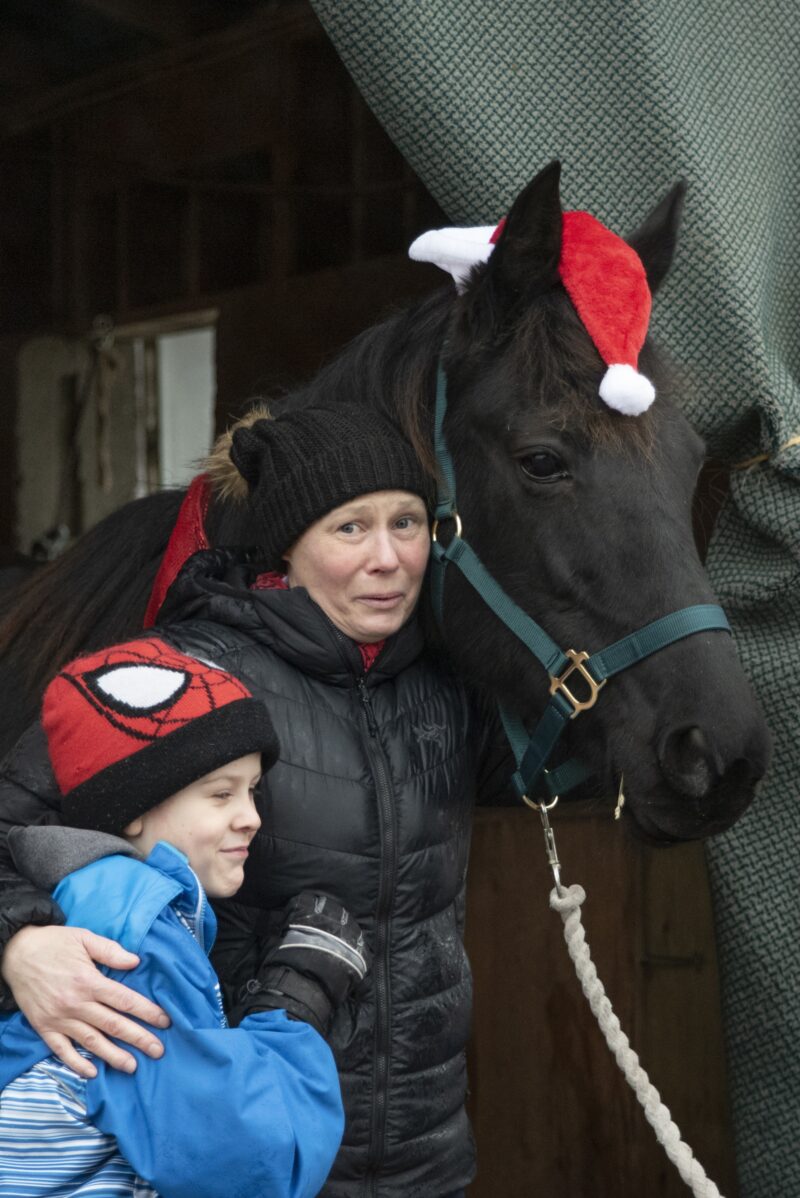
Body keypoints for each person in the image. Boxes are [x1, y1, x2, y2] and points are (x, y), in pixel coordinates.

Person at [0, 405, 510, 1198]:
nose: (388, 558)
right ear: (288, 546)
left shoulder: (449, 684)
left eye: (407, 522)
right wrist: (17, 945)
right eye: (350, 528)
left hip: (423, 1155)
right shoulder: (178, 680)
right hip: (234, 1147)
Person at [0, 636, 368, 1198]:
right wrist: (295, 1006)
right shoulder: (135, 943)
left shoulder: (73, 906)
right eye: (221, 794)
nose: (250, 818)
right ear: (133, 812)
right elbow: (249, 1166)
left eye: (253, 791)